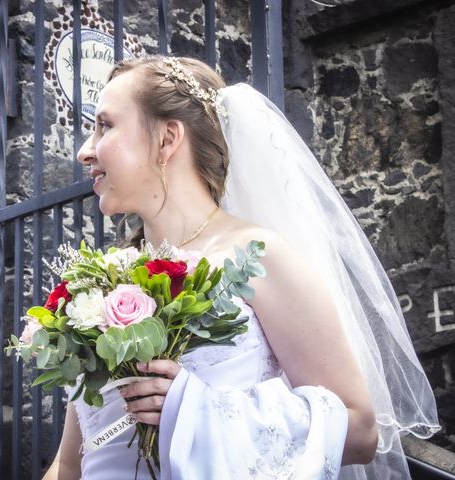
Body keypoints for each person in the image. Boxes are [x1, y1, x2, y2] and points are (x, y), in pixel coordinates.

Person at [42, 55, 440, 479]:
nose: (86, 150)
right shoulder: (102, 286)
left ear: (167, 139)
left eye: (104, 125)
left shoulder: (258, 256)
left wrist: (194, 409)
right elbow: (70, 463)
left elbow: (359, 430)